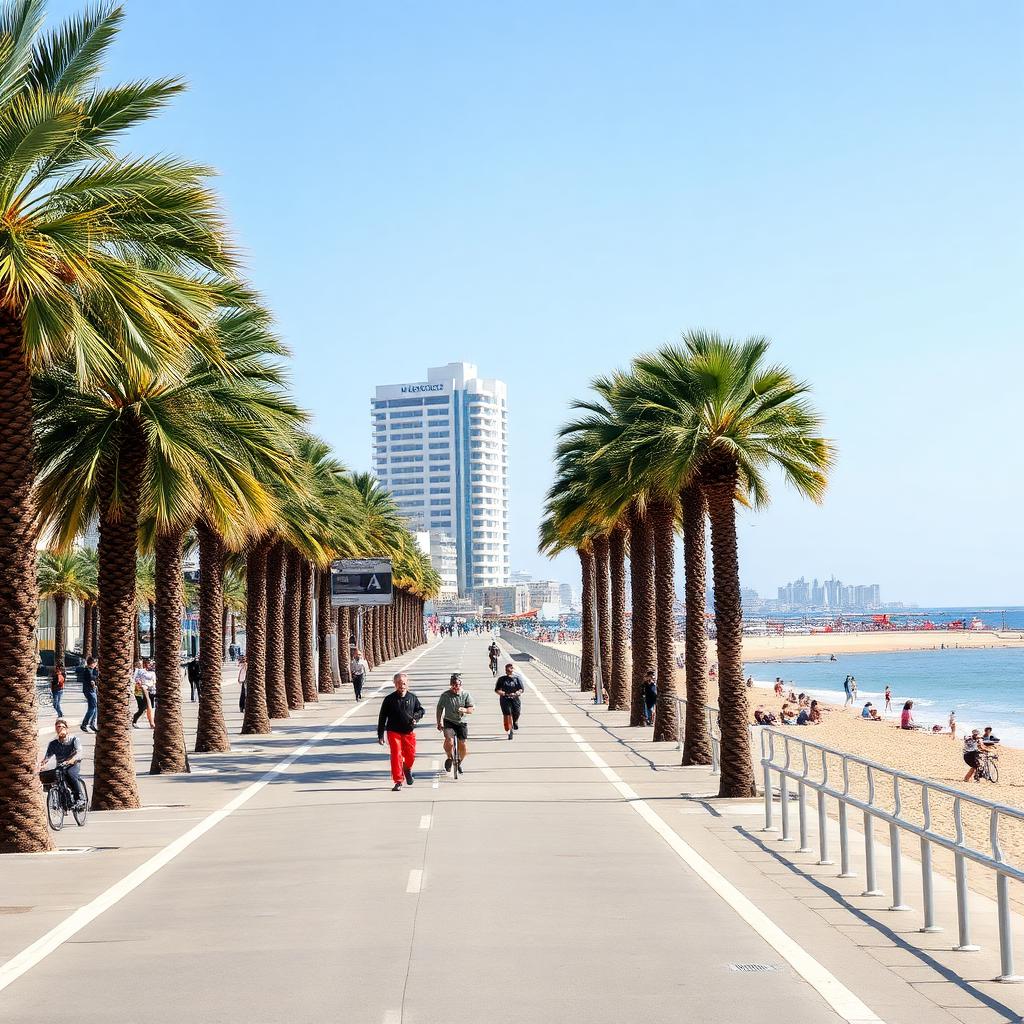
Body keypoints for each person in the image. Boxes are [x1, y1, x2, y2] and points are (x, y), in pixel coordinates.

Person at [376, 672, 425, 792]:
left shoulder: (412, 698)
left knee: (410, 756)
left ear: (407, 684)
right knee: (396, 754)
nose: (401, 686)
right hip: (393, 732)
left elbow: (421, 710)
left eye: (403, 683)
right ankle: (398, 781)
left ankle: (407, 768)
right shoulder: (389, 699)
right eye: (398, 683)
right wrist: (380, 735)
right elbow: (382, 717)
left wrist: (416, 717)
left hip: (408, 732)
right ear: (395, 684)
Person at [39, 719, 86, 807]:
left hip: (73, 764)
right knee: (53, 776)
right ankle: (61, 800)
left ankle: (80, 798)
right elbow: (47, 757)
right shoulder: (53, 743)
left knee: (70, 773)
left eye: (63, 727)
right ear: (55, 729)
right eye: (58, 727)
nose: (60, 728)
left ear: (67, 729)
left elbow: (79, 752)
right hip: (60, 765)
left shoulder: (74, 739)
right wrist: (42, 765)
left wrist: (71, 760)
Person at [436, 673, 473, 774]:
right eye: (453, 685)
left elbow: (471, 709)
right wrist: (439, 722)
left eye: (457, 685)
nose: (455, 687)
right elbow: (439, 708)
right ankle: (449, 757)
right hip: (449, 721)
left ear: (460, 685)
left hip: (461, 722)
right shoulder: (445, 695)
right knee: (449, 741)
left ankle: (459, 762)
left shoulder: (465, 694)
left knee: (463, 744)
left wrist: (465, 710)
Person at [495, 662, 525, 739]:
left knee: (517, 712)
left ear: (513, 670)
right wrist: (502, 693)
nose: (509, 671)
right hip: (505, 698)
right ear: (505, 671)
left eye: (510, 669)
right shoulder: (501, 679)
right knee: (507, 713)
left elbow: (521, 689)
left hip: (515, 698)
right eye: (507, 670)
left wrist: (517, 692)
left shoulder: (517, 678)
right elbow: (497, 689)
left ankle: (515, 721)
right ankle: (508, 729)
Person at [132, 659, 155, 728]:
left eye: (150, 664)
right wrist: (139, 683)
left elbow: (154, 681)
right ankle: (134, 721)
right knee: (142, 709)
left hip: (151, 691)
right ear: (144, 664)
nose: (150, 665)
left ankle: (151, 723)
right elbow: (135, 679)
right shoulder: (139, 671)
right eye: (148, 663)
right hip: (140, 692)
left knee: (150, 707)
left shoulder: (153, 672)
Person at [77, 656, 98, 733]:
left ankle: (92, 724)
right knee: (92, 708)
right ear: (92, 663)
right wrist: (95, 679)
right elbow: (92, 679)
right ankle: (84, 724)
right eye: (95, 663)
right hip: (89, 691)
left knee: (95, 708)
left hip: (92, 691)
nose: (96, 664)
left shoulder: (91, 670)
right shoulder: (87, 670)